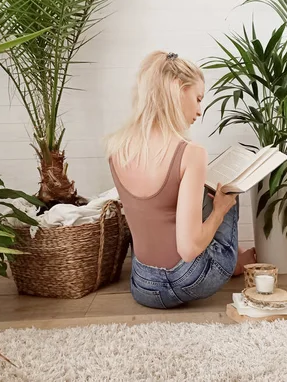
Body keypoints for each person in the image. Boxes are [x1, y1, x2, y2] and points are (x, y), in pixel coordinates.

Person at [105, 51, 257, 309]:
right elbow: (187, 250)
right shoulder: (190, 152)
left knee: (200, 195)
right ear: (178, 89)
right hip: (188, 280)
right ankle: (235, 262)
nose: (199, 111)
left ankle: (236, 252)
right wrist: (219, 211)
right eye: (198, 99)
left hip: (142, 284)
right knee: (228, 190)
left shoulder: (116, 148)